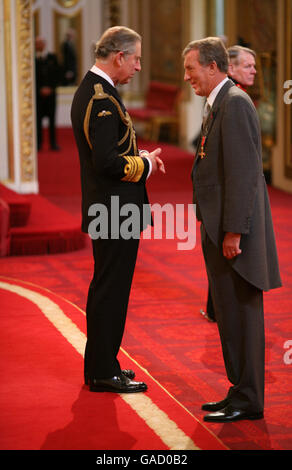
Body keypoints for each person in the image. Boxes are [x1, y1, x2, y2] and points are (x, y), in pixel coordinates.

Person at [183, 37, 281, 422]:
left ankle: (249, 399)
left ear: (212, 66)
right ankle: (238, 389)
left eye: (191, 68)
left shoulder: (235, 103)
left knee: (241, 314)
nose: (187, 76)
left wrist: (234, 232)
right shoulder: (219, 102)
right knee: (228, 315)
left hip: (234, 234)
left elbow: (243, 176)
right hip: (220, 227)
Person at [71, 26, 165, 393]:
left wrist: (139, 156)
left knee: (108, 287)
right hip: (113, 210)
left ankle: (103, 363)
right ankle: (102, 372)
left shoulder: (100, 92)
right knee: (111, 289)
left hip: (111, 208)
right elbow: (108, 163)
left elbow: (112, 153)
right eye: (137, 58)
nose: (139, 67)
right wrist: (144, 166)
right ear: (119, 56)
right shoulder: (102, 99)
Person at [201, 44, 257, 323]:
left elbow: (242, 169)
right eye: (248, 66)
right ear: (230, 68)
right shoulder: (231, 99)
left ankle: (216, 307)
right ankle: (215, 306)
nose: (254, 71)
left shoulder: (235, 100)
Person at [35, 37, 61, 151]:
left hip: (51, 95)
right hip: (38, 96)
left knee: (52, 120)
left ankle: (53, 143)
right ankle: (38, 144)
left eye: (41, 43)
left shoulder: (53, 58)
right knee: (37, 121)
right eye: (37, 44)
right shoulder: (32, 59)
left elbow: (57, 75)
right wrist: (40, 89)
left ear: (45, 45)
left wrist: (50, 88)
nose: (39, 45)